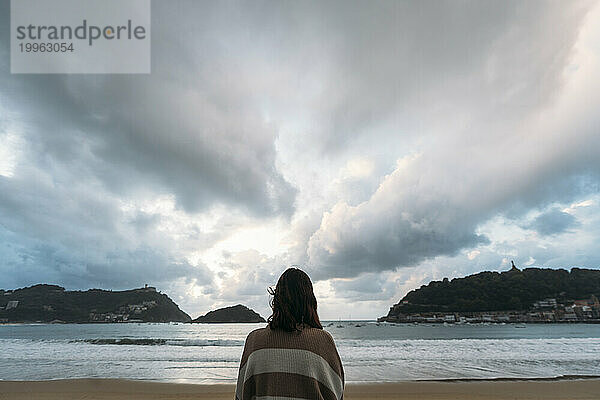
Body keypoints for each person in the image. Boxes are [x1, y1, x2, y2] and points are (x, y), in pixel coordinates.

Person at [235, 267, 344, 400]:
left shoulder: (254, 340)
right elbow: (336, 393)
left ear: (277, 300)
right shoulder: (323, 340)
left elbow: (241, 394)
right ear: (310, 301)